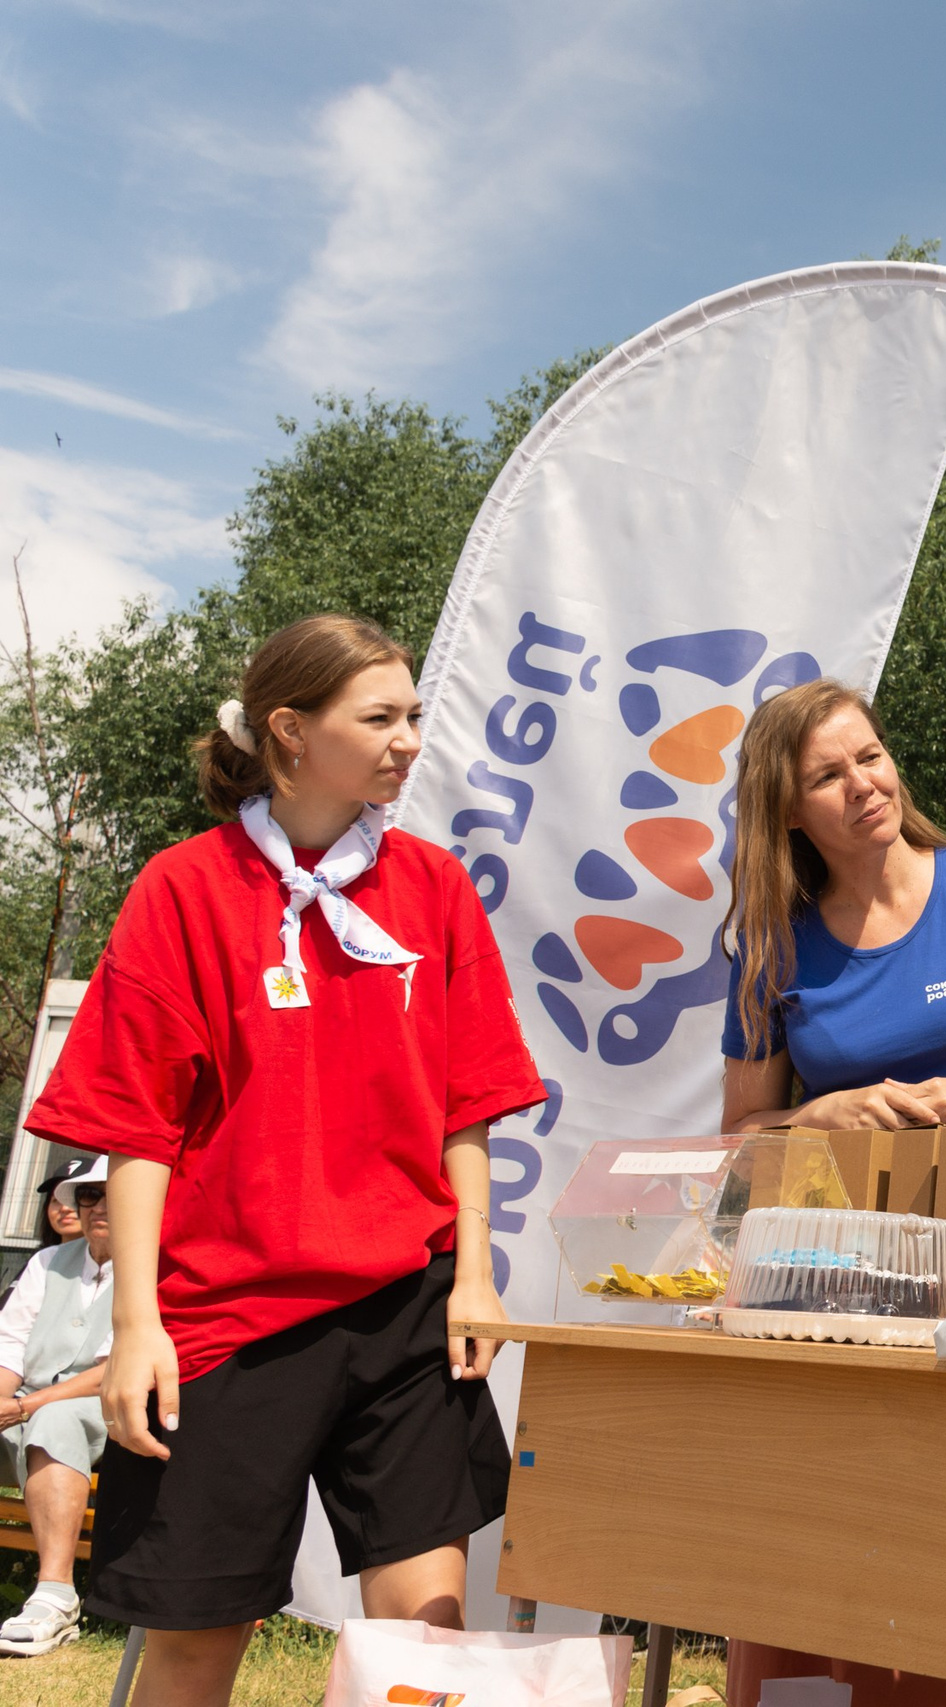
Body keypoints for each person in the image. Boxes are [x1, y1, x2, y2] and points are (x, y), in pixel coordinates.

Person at [26, 613, 545, 1707]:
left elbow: (471, 1106)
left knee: (428, 1646)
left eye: (413, 715)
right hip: (224, 1322)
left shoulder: (435, 889)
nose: (409, 738)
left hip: (407, 1307)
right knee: (197, 1645)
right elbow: (137, 1125)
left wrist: (479, 1275)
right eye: (382, 717)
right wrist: (134, 1328)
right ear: (290, 731)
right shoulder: (184, 888)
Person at [719, 679, 946, 1707]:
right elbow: (740, 1135)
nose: (863, 786)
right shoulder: (769, 944)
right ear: (789, 812)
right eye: (828, 777)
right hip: (842, 1287)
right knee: (854, 1538)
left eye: (869, 757)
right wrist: (813, 1118)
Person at [0, 1157, 113, 1657]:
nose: (98, 1205)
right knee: (42, 1414)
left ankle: (56, 1596)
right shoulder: (47, 1262)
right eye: (87, 1195)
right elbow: (9, 1343)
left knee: (54, 1417)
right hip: (31, 1403)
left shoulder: (159, 1265)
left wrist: (26, 1406)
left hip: (107, 1408)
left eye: (111, 1192)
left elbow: (117, 1367)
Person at [31, 1162, 81, 1249]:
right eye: (56, 1200)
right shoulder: (40, 1260)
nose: (65, 1208)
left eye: (75, 1199)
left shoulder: (110, 1261)